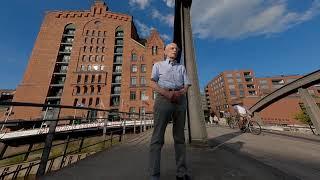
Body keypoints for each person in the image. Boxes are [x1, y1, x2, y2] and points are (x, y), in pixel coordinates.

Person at [149, 43, 192, 180]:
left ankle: (181, 173)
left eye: (176, 49)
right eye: (172, 48)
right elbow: (152, 82)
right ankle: (154, 175)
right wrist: (166, 94)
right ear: (165, 51)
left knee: (180, 138)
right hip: (163, 99)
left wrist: (181, 92)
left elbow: (187, 85)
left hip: (180, 100)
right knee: (157, 138)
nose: (175, 50)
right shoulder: (158, 65)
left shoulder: (181, 67)